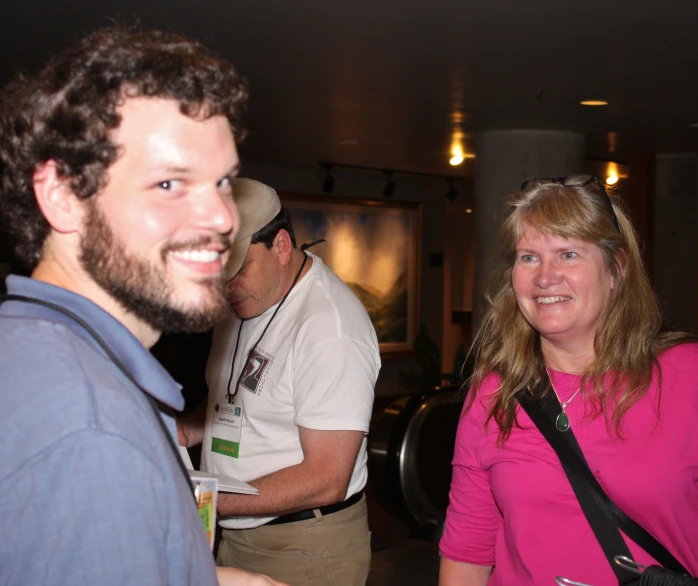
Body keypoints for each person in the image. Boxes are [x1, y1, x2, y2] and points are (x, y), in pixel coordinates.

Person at [0, 26, 286, 586]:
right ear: (63, 196)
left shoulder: (31, 348)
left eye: (223, 182)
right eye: (169, 183)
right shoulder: (92, 432)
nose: (224, 219)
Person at [439, 175, 698, 585]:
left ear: (616, 269)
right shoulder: (494, 392)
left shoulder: (686, 378)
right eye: (528, 257)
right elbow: (467, 556)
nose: (545, 277)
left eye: (568, 254)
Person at [178, 178, 381, 585]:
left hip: (305, 546)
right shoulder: (246, 301)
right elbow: (243, 405)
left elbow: (326, 477)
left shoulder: (329, 330)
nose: (227, 286)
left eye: (239, 269)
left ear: (282, 246)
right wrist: (183, 431)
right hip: (235, 529)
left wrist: (204, 504)